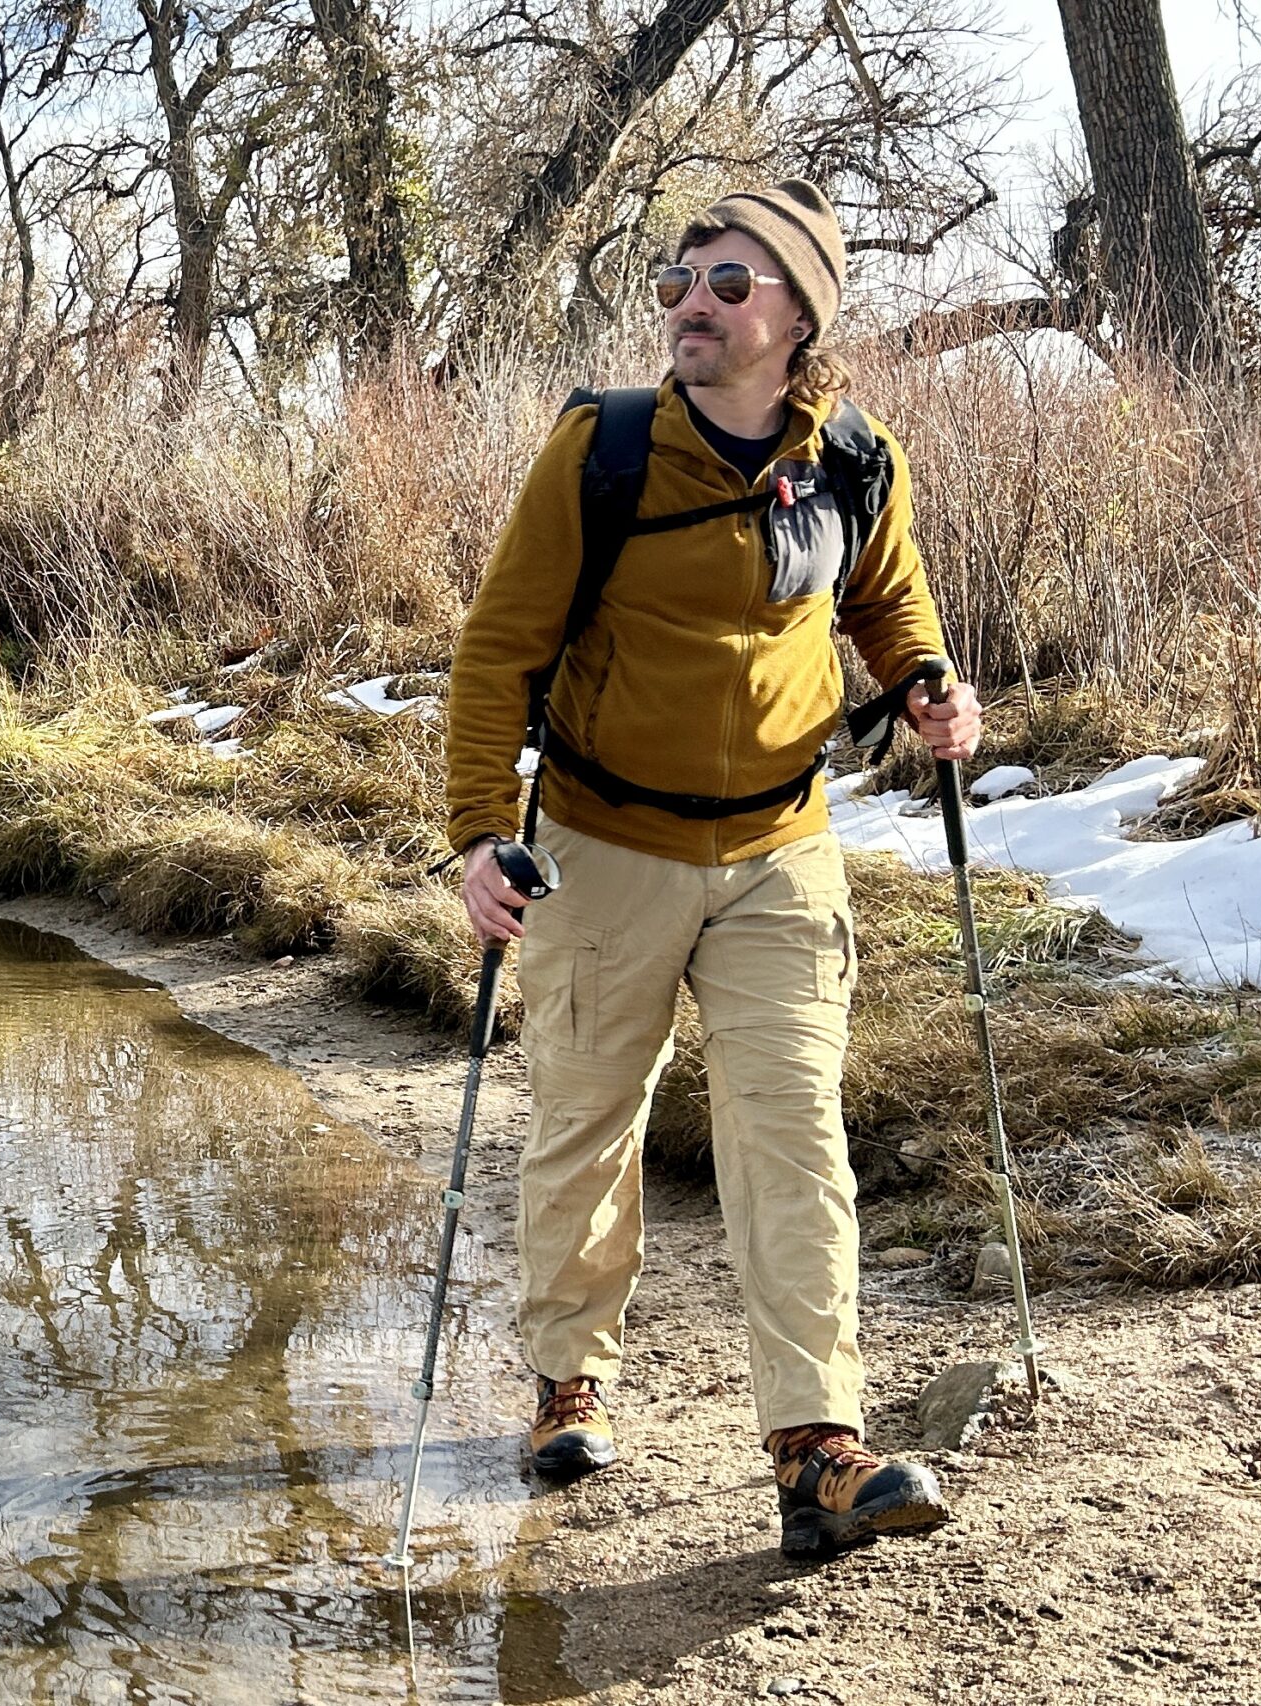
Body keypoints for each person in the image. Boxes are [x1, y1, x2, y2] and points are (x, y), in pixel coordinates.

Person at [442, 179, 982, 1560]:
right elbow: (499, 649)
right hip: (604, 844)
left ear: (800, 316)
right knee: (587, 1113)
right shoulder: (602, 452)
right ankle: (572, 1378)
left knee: (793, 1125)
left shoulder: (856, 458)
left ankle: (816, 1443)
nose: (694, 302)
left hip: (779, 850)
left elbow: (884, 591)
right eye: (682, 280)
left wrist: (924, 678)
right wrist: (471, 834)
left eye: (730, 285)